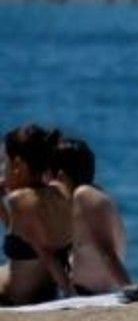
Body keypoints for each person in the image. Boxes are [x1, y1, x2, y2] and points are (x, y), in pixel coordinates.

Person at [3, 124, 72, 305]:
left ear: (17, 164)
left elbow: (43, 250)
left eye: (4, 163)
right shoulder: (60, 192)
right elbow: (22, 233)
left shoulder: (18, 200)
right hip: (46, 292)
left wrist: (72, 296)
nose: (2, 170)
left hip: (14, 297)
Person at [53, 136, 130, 295]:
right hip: (90, 290)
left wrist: (130, 290)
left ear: (60, 175)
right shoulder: (94, 192)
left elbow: (107, 252)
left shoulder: (84, 195)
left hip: (87, 291)